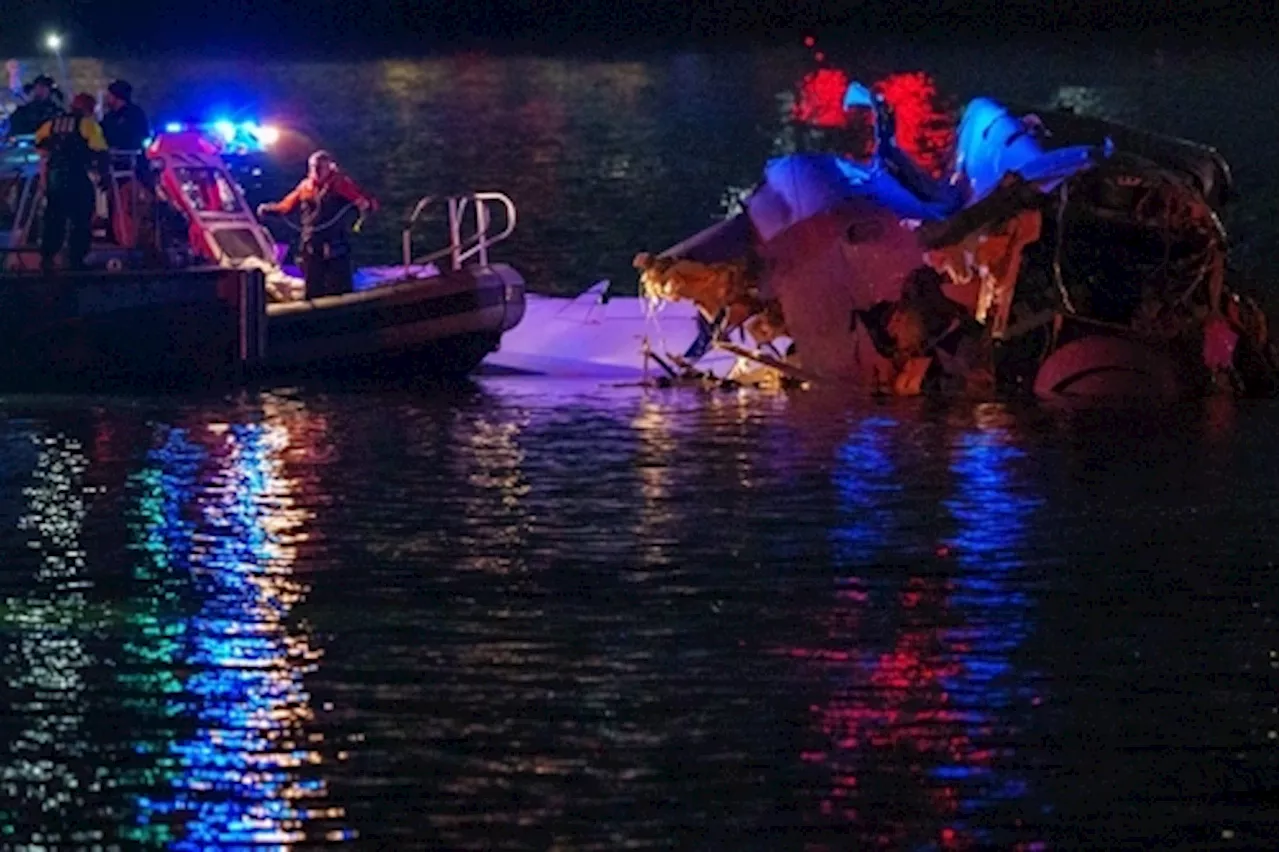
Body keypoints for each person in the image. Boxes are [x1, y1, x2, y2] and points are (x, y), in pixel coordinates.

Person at [256, 150, 378, 298]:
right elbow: (286, 206)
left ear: (329, 167)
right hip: (312, 242)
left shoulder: (340, 184)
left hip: (335, 243)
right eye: (315, 167)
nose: (318, 171)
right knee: (313, 285)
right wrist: (269, 210)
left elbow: (363, 200)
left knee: (339, 285)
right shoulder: (305, 187)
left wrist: (366, 205)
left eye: (321, 167)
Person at [34, 92, 109, 273]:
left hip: (55, 177)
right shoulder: (88, 125)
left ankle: (48, 257)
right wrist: (102, 175)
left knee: (54, 217)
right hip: (76, 176)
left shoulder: (52, 123)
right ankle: (76, 260)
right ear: (89, 109)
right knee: (81, 218)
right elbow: (100, 150)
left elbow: (40, 145)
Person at [101, 79, 150, 152]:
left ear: (117, 97)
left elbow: (140, 137)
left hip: (131, 157)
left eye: (110, 95)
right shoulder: (109, 116)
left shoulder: (135, 114)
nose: (107, 97)